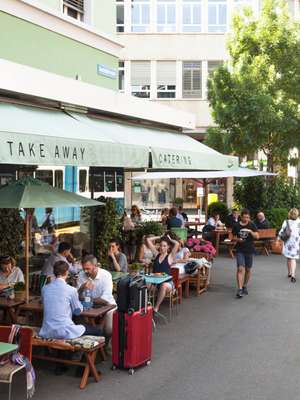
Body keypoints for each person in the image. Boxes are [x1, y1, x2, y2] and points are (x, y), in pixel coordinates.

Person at [39, 261, 87, 340]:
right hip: (64, 331)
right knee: (97, 330)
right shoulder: (71, 290)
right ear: (67, 272)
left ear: (54, 272)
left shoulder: (44, 288)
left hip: (46, 331)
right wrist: (82, 305)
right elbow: (77, 311)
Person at [77, 255, 116, 337]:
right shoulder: (81, 274)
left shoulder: (106, 275)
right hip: (89, 306)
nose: (85, 271)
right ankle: (94, 341)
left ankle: (103, 343)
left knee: (109, 330)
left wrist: (88, 299)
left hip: (107, 305)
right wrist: (82, 288)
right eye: (84, 269)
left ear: (96, 266)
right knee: (80, 321)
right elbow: (78, 296)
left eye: (88, 269)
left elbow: (105, 299)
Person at [146, 235, 179, 313]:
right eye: (161, 245)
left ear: (168, 247)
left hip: (168, 284)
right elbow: (148, 240)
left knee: (163, 285)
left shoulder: (170, 257)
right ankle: (145, 305)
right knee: (142, 283)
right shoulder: (156, 254)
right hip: (155, 283)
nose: (162, 247)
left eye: (164, 246)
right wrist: (159, 237)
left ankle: (156, 307)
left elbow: (177, 244)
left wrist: (170, 239)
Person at [232, 208, 259, 298]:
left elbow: (257, 236)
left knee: (248, 269)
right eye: (244, 217)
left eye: (247, 217)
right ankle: (239, 289)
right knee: (240, 268)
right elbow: (233, 237)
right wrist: (238, 239)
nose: (246, 219)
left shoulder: (252, 225)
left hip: (249, 249)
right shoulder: (236, 226)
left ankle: (244, 286)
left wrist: (251, 232)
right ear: (241, 217)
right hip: (240, 249)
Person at [278, 208, 300, 283]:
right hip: (296, 242)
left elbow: (281, 232)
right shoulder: (299, 221)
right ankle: (293, 275)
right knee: (293, 258)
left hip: (288, 241)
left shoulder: (286, 222)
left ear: (289, 214)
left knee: (288, 258)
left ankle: (289, 273)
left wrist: (279, 239)